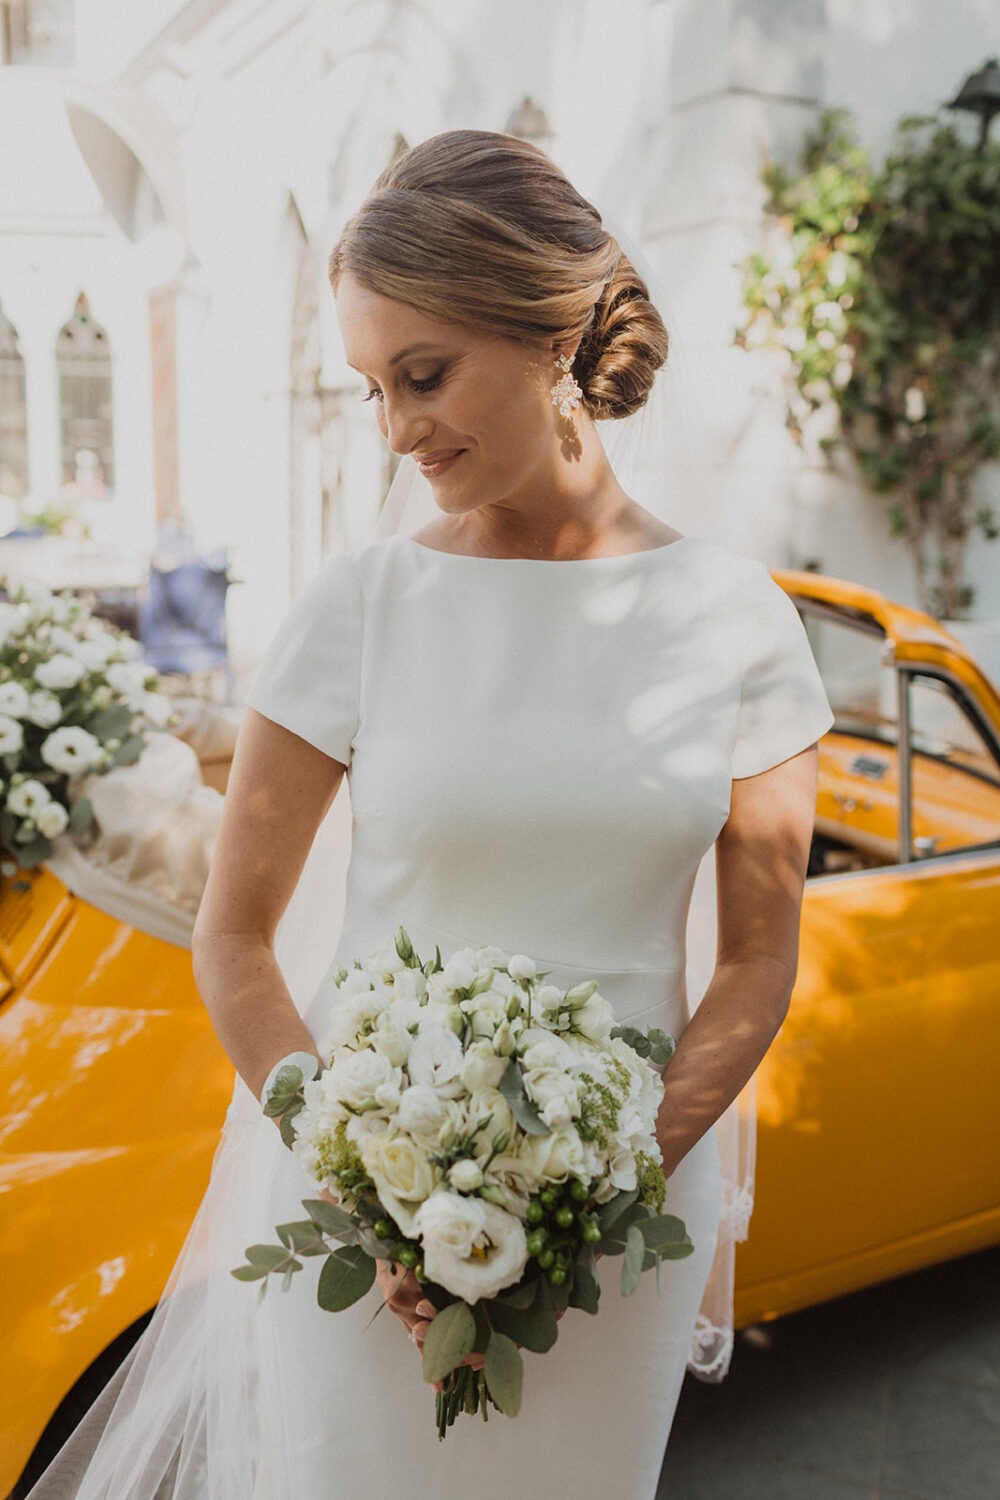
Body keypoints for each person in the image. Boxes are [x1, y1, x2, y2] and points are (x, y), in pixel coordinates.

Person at [25, 130, 831, 1500]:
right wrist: (360, 1185)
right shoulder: (362, 607)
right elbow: (237, 942)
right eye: (370, 390)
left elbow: (756, 961)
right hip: (365, 1231)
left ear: (551, 334)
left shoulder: (739, 624)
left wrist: (614, 1177)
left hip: (627, 1216)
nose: (399, 431)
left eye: (425, 375)